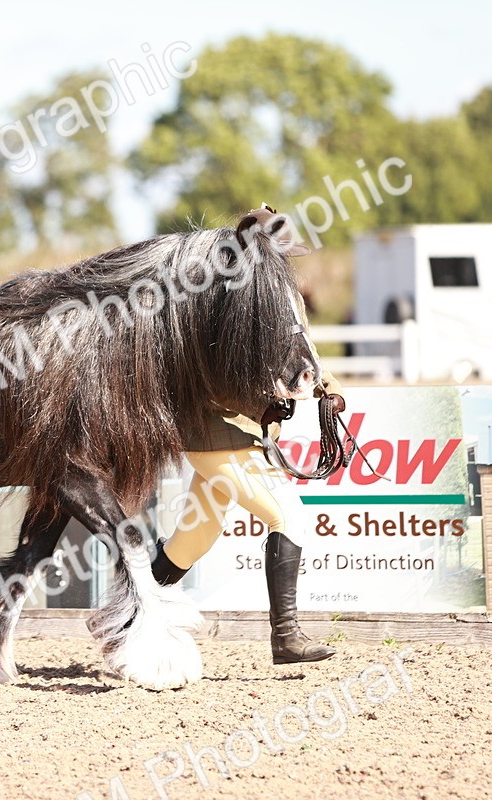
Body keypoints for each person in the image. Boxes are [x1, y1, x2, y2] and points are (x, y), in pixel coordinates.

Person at [151, 206, 343, 665]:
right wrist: (267, 403)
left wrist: (327, 387)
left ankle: (130, 612)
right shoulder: (224, 298)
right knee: (288, 516)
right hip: (221, 431)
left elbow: (298, 349)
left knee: (192, 539)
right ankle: (286, 636)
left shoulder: (273, 293)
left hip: (231, 433)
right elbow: (220, 372)